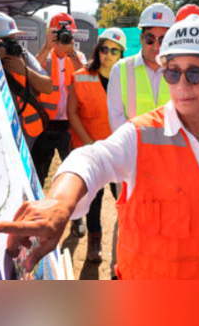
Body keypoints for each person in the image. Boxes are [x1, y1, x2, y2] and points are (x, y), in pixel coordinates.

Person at [0, 17, 199, 279]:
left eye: (194, 74)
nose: (182, 85)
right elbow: (91, 160)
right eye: (172, 73)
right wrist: (59, 203)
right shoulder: (141, 134)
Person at [67, 28, 127, 263]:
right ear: (97, 50)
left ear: (121, 55)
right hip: (90, 148)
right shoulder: (81, 77)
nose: (108, 55)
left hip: (119, 149)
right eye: (104, 49)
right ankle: (95, 239)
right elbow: (72, 113)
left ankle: (126, 241)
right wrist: (89, 142)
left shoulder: (127, 79)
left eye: (114, 51)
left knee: (123, 197)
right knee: (94, 197)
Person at [34, 12, 87, 236]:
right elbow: (30, 73)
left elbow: (86, 77)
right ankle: (36, 214)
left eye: (67, 35)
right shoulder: (44, 56)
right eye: (59, 35)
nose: (63, 39)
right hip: (45, 126)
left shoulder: (78, 56)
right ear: (50, 34)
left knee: (74, 175)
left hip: (69, 125)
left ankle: (77, 218)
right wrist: (47, 47)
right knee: (39, 174)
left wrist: (71, 52)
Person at [0, 12, 53, 149]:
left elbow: (48, 87)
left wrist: (25, 71)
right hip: (0, 140)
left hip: (30, 139)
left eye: (13, 40)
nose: (12, 45)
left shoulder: (22, 56)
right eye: (6, 41)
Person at [107, 3, 175, 130]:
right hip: (133, 143)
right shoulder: (120, 70)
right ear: (141, 38)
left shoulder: (180, 70)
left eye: (162, 40)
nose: (156, 46)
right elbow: (116, 119)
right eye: (150, 38)